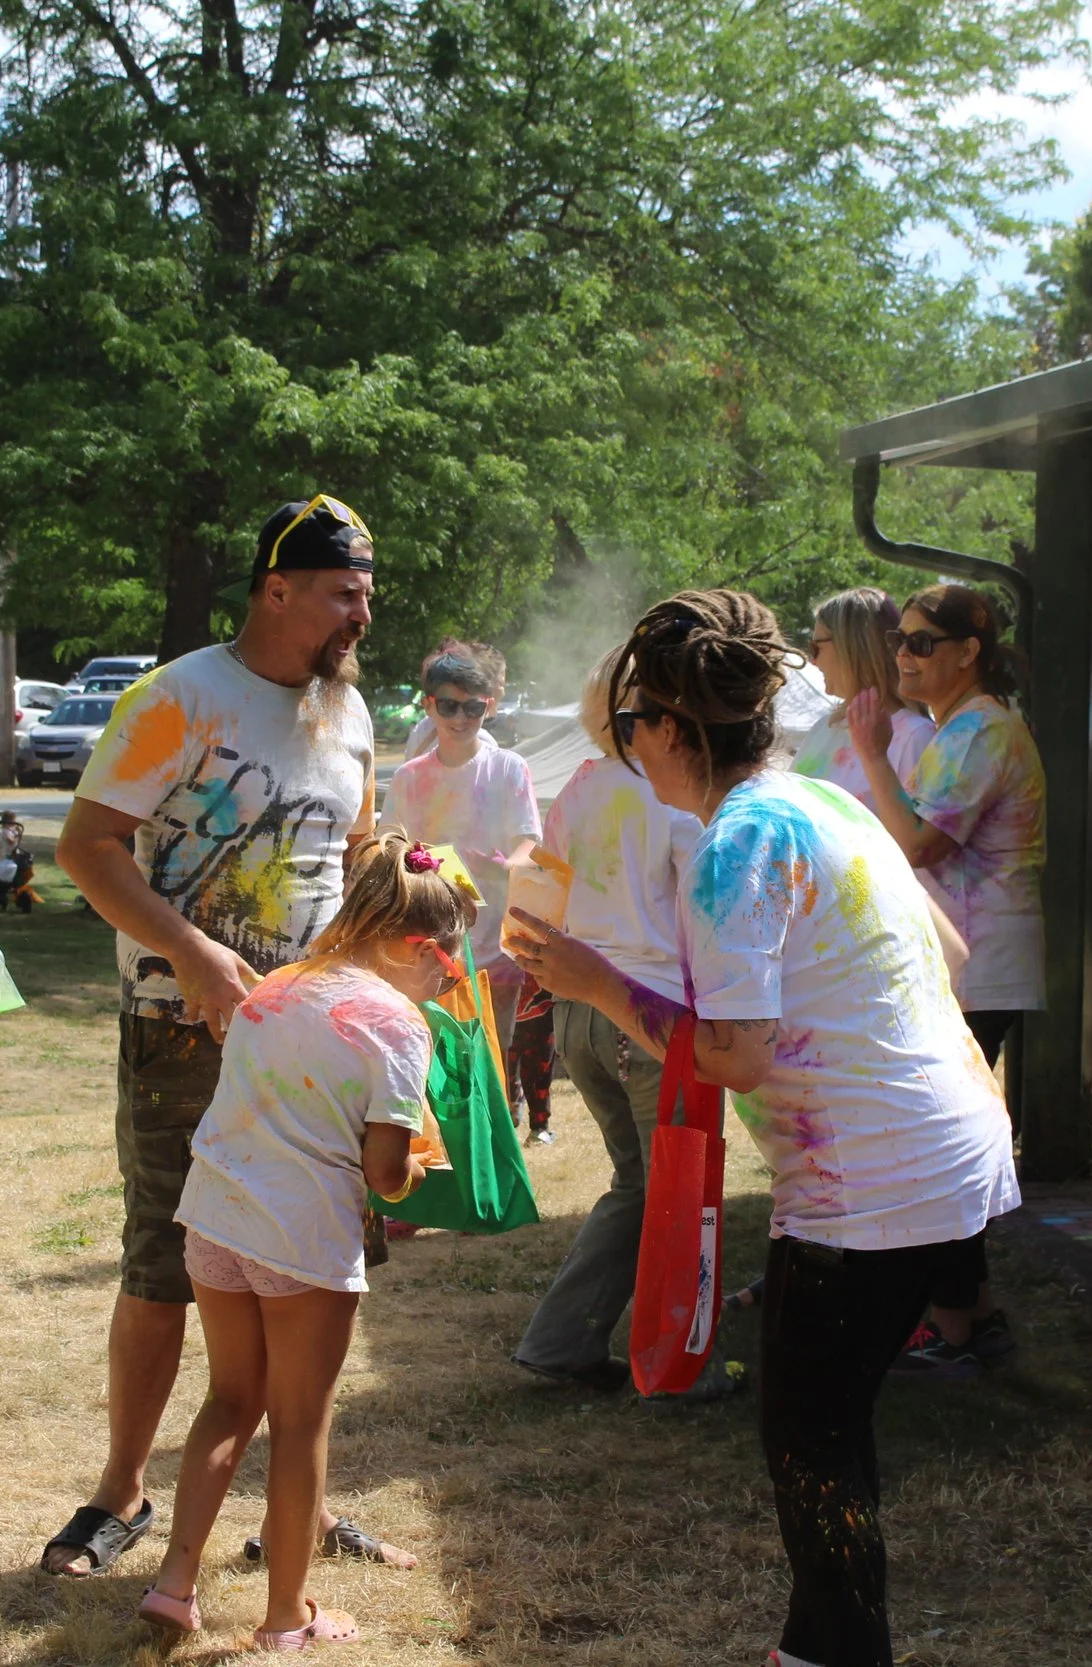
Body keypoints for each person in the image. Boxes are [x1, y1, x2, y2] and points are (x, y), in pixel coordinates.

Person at [510, 589, 1019, 1667]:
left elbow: (737, 1052)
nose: (625, 749)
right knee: (823, 1430)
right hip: (949, 1148)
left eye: (628, 727)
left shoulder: (735, 841)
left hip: (871, 1185)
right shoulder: (824, 801)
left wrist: (599, 984)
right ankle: (823, 1647)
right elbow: (953, 955)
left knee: (811, 1442)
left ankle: (834, 1652)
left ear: (666, 729)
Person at [42, 493, 411, 1580]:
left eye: (367, 594)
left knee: (314, 1275)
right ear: (275, 588)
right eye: (344, 592)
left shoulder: (349, 713)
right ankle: (119, 1493)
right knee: (165, 1261)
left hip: (315, 1046)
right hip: (181, 1031)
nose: (360, 613)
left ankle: (299, 1505)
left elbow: (353, 859)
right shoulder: (181, 696)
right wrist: (195, 955)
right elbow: (87, 844)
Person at [134, 830, 464, 1648]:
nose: (445, 985)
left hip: (214, 1213)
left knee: (229, 1398)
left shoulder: (276, 984)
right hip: (301, 1237)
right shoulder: (398, 1024)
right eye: (448, 969)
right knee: (300, 1420)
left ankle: (175, 1582)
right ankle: (287, 1616)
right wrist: (415, 1170)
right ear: (417, 946)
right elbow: (385, 1171)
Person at [848, 581, 1041, 1376]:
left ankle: (958, 1324)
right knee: (940, 1140)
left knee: (940, 1144)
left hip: (981, 964)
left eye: (923, 642)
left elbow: (923, 843)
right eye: (900, 639)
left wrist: (868, 754)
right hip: (962, 959)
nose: (903, 654)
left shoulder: (981, 732)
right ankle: (972, 1318)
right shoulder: (952, 728)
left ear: (969, 651)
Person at [511, 649, 706, 1390]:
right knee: (682, 1190)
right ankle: (688, 1361)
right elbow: (703, 898)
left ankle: (562, 1343)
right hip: (648, 1016)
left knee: (641, 1183)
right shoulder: (671, 793)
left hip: (581, 1017)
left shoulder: (581, 785)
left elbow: (542, 884)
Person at [380, 649, 542, 1115]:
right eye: (448, 705)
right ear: (428, 705)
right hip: (428, 944)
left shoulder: (508, 768)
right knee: (437, 1067)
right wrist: (415, 861)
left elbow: (529, 841)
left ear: (488, 707)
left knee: (494, 1058)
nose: (460, 717)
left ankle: (499, 1156)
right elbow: (389, 844)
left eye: (473, 706)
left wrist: (508, 864)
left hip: (493, 944)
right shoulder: (410, 777)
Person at [792, 587, 935, 807]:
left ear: (851, 647)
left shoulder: (915, 737)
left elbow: (913, 837)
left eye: (815, 647)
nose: (812, 661)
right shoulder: (827, 727)